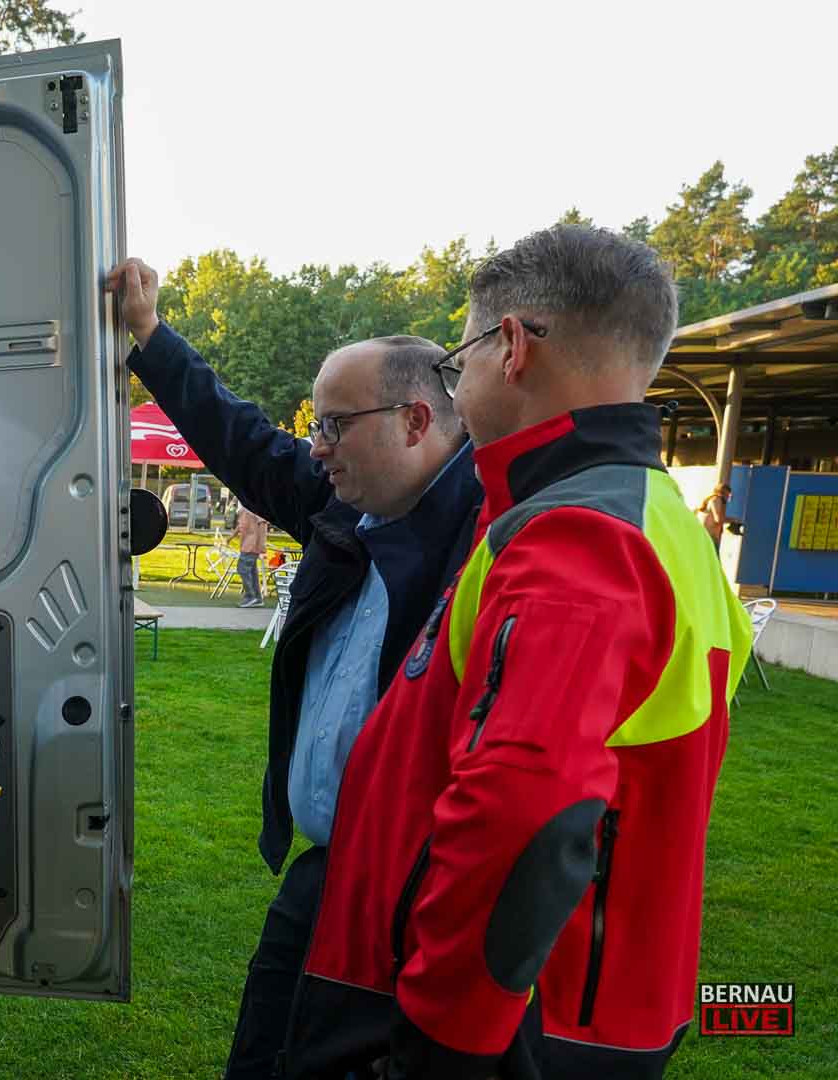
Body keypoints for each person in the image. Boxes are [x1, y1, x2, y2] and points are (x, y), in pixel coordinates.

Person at [285, 224, 753, 1079]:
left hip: (494, 1028)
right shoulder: (645, 519)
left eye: (458, 354)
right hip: (568, 1011)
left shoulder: (575, 534)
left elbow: (525, 806)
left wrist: (440, 1047)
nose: (455, 382)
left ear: (510, 347)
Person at [106, 258, 482, 1080]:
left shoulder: (492, 537)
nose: (317, 448)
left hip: (416, 893)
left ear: (417, 419)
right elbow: (244, 443)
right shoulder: (350, 501)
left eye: (335, 426)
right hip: (327, 868)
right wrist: (149, 337)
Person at [235, 507, 270, 607]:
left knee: (243, 569)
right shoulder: (244, 509)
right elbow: (240, 526)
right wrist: (230, 537)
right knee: (251, 572)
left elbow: (263, 526)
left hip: (252, 545)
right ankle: (257, 598)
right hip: (246, 545)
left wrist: (262, 546)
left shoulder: (255, 507)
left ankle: (250, 596)